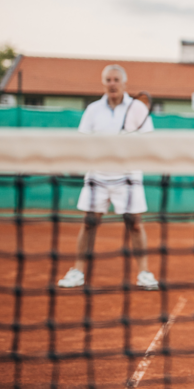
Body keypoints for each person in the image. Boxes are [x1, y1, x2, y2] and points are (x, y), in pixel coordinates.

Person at [57, 64, 159, 291]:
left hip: (128, 176)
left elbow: (149, 142)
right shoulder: (93, 110)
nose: (112, 84)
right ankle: (78, 272)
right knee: (89, 222)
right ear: (103, 83)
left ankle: (144, 273)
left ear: (124, 83)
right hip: (98, 176)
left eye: (116, 79)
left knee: (134, 224)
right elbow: (83, 141)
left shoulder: (137, 109)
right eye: (108, 80)